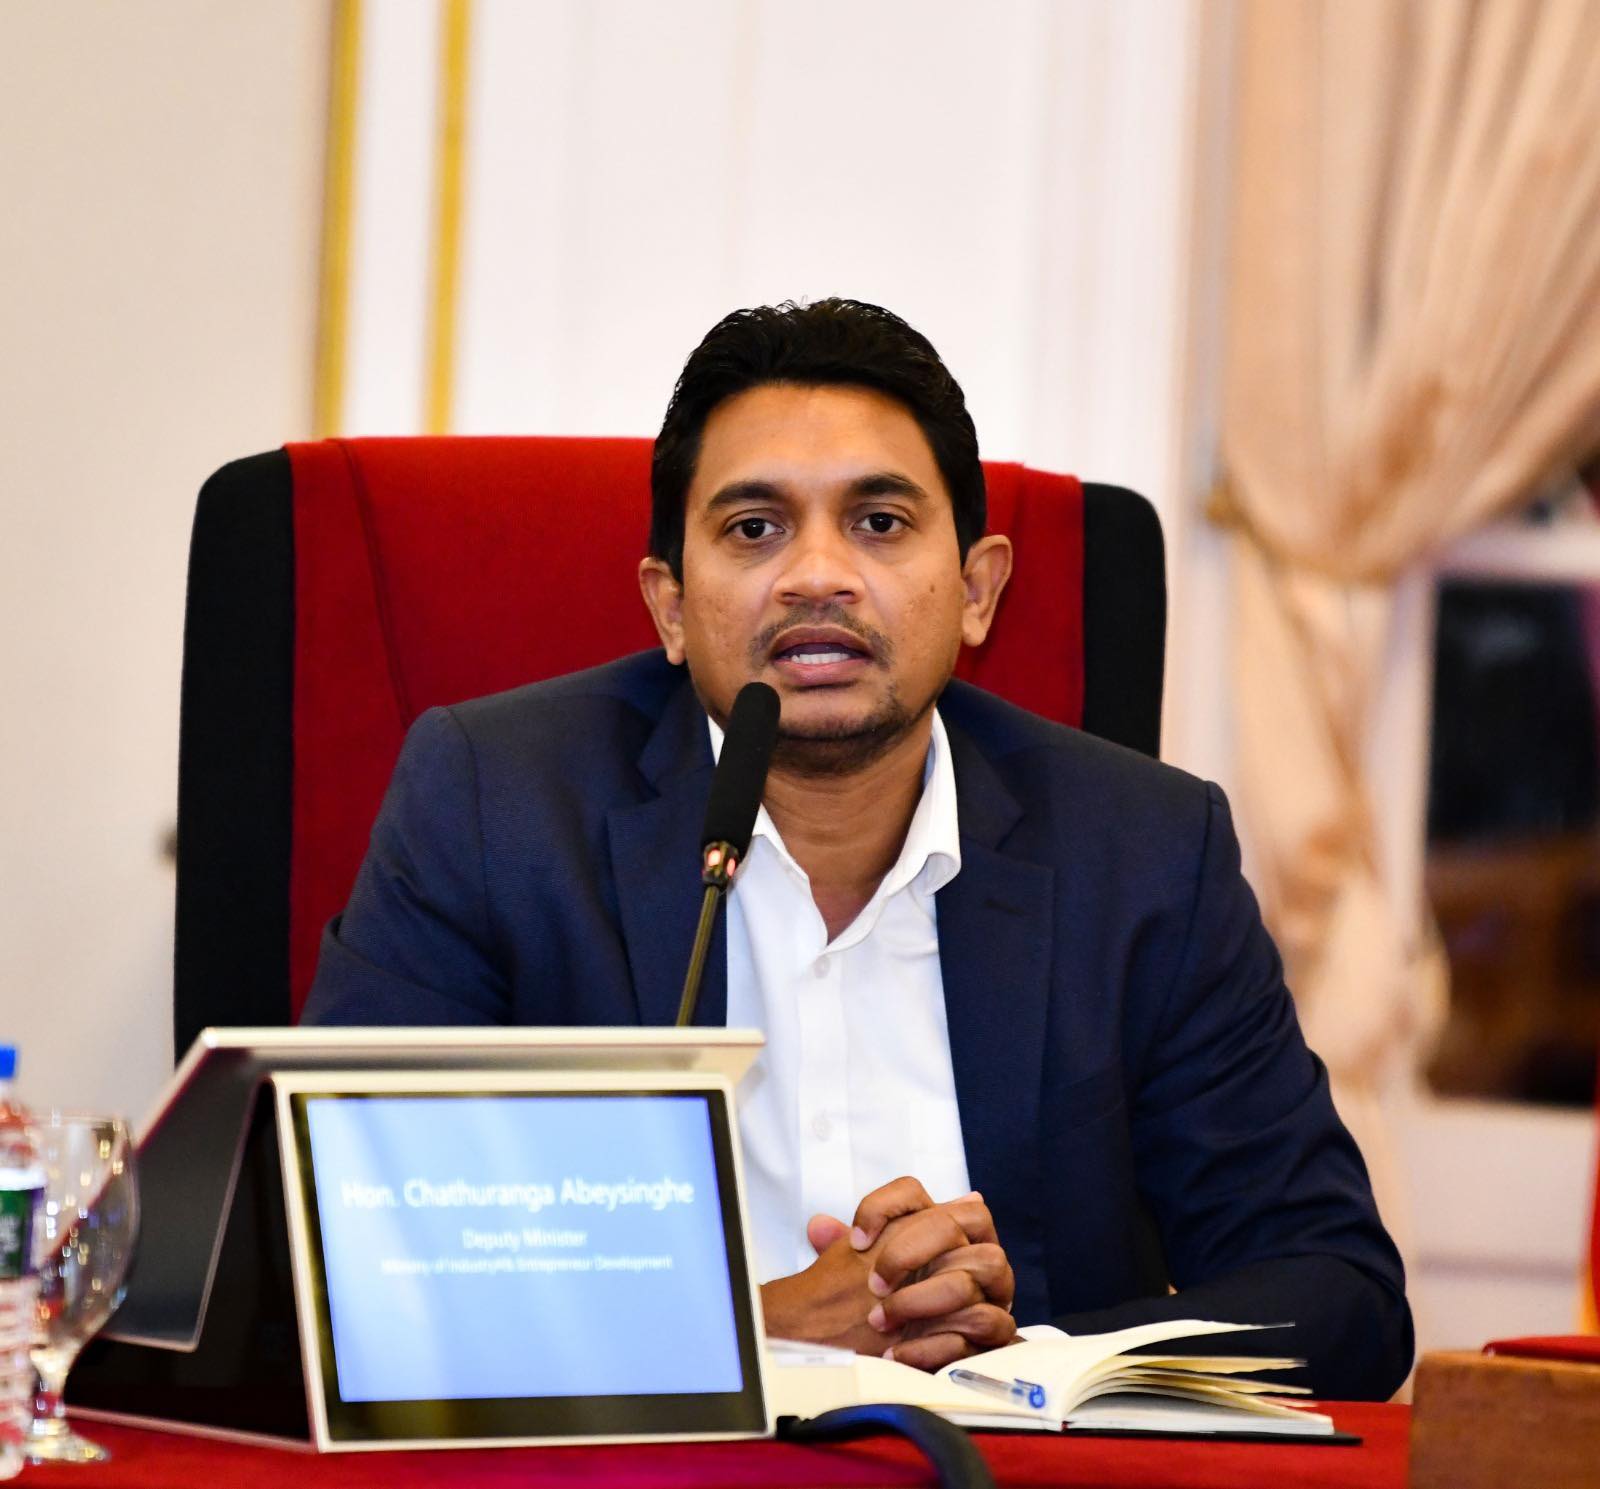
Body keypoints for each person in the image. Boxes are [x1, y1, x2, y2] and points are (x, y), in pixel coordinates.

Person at [305, 299, 1412, 1399]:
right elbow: (353, 1258)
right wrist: (756, 1326)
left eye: (879, 522)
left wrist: (1003, 1352)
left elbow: (1339, 1292)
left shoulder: (1144, 854)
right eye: (755, 528)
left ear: (976, 589)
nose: (817, 575)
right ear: (670, 607)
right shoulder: (495, 808)